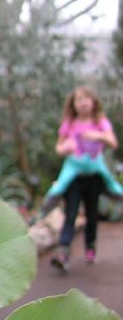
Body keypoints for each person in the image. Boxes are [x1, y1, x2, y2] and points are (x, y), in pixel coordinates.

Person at [49, 86, 120, 270]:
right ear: (73, 103)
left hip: (94, 176)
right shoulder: (69, 123)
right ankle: (63, 251)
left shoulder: (100, 122)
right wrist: (65, 148)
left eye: (86, 98)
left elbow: (113, 143)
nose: (82, 102)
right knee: (70, 213)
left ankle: (90, 246)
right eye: (78, 99)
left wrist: (97, 135)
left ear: (93, 101)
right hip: (74, 176)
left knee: (91, 213)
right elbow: (58, 148)